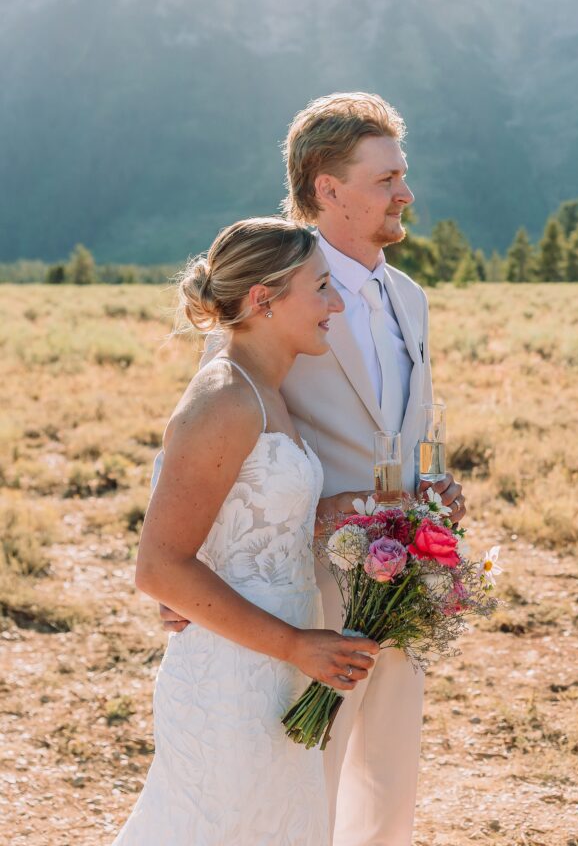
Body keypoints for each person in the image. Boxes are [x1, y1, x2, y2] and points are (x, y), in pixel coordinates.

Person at [162, 93, 467, 845]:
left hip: (405, 583)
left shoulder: (410, 298)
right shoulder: (272, 291)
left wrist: (433, 495)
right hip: (301, 594)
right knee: (306, 781)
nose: (406, 193)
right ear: (328, 189)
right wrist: (182, 579)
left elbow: (402, 429)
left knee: (389, 779)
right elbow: (208, 430)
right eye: (386, 179)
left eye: (402, 175)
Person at [112, 217, 379, 846]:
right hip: (230, 678)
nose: (336, 305)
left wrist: (387, 510)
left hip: (279, 670)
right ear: (264, 299)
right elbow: (159, 567)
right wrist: (295, 645)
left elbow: (263, 521)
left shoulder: (266, 390)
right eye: (321, 288)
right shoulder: (226, 397)